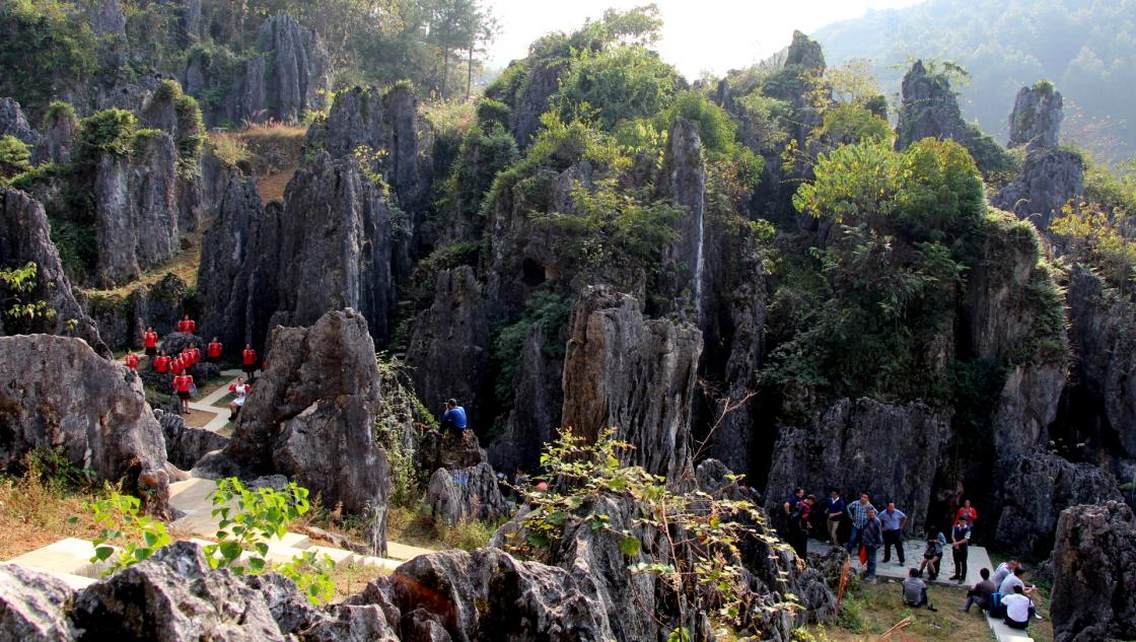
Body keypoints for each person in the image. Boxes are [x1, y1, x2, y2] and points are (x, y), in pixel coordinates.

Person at [861, 507, 883, 580]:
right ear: (866, 513)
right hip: (866, 542)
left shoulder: (877, 521)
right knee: (868, 559)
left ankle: (872, 575)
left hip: (873, 543)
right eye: (869, 513)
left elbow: (879, 534)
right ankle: (868, 571)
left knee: (872, 559)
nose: (871, 514)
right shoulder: (865, 520)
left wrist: (878, 544)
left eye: (872, 512)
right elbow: (863, 530)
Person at [950, 515, 972, 583]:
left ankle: (963, 577)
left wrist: (957, 543)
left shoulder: (968, 529)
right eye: (961, 521)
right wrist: (955, 543)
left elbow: (966, 539)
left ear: (966, 522)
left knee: (963, 563)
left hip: (963, 548)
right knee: (956, 561)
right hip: (956, 547)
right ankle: (957, 574)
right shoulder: (955, 527)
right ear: (959, 521)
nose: (962, 523)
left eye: (964, 522)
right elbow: (953, 536)